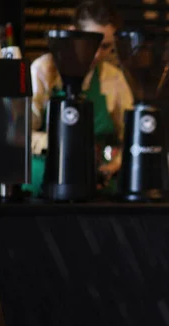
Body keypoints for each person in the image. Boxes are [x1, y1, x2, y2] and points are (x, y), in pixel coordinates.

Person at [25, 0, 133, 195]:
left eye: (106, 46)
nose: (97, 54)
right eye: (90, 43)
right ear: (72, 32)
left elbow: (130, 138)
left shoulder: (113, 78)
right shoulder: (44, 70)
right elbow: (21, 133)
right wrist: (62, 142)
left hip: (96, 182)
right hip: (45, 177)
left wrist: (113, 166)